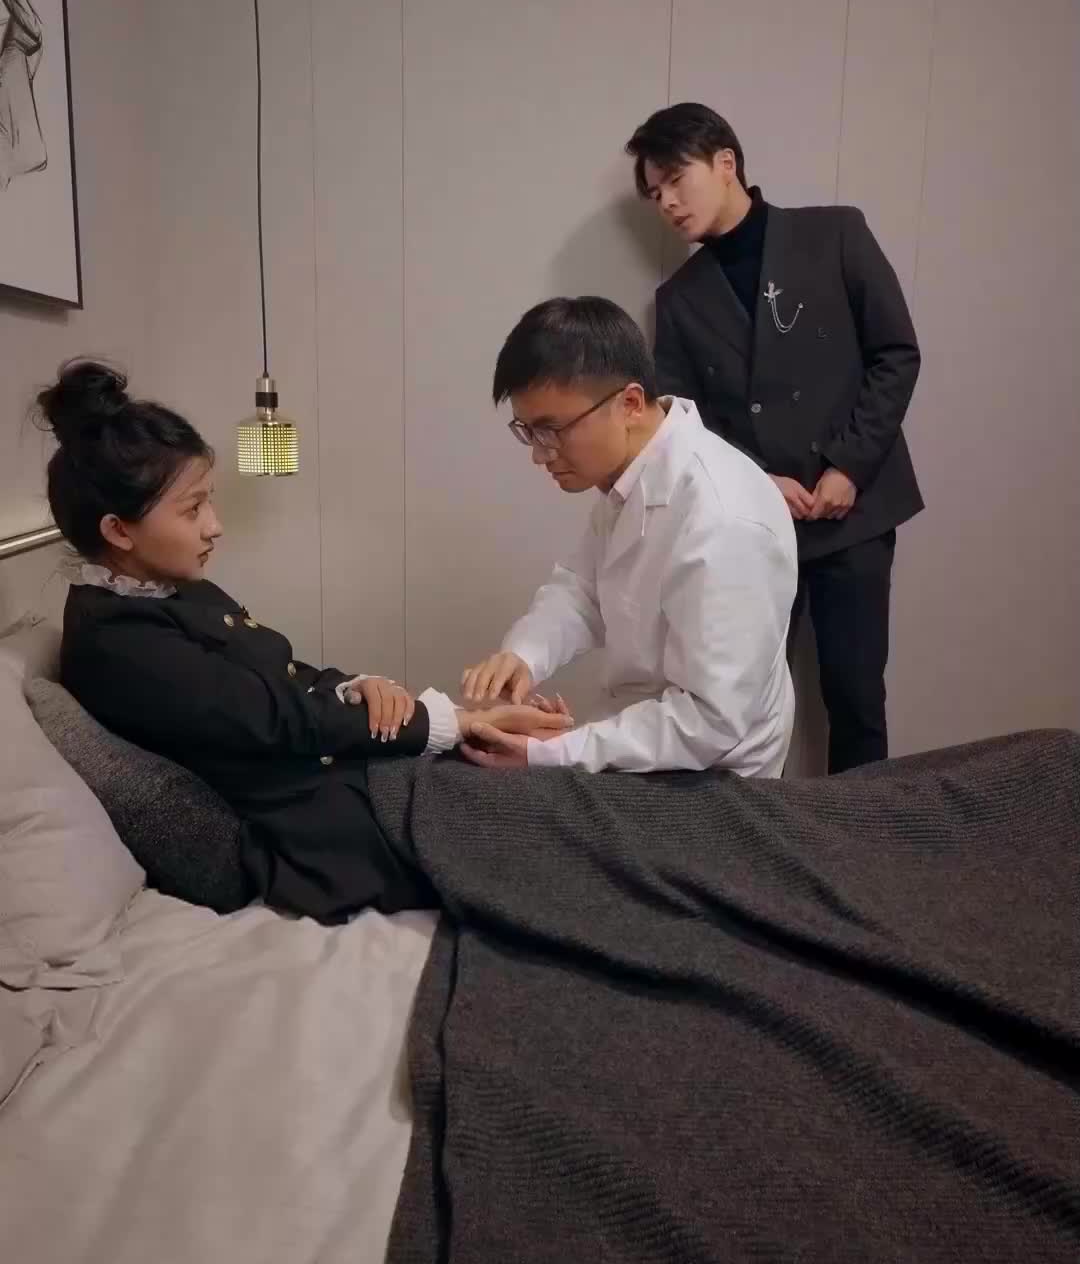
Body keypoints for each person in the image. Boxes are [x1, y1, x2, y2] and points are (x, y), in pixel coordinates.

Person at [37, 361, 571, 923]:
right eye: (193, 509)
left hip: (343, 780)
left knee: (555, 778)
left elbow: (283, 675)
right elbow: (275, 717)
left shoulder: (166, 590)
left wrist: (357, 687)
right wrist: (454, 722)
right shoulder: (117, 644)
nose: (214, 525)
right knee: (556, 824)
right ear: (118, 530)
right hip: (316, 835)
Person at [626, 103, 922, 774]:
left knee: (857, 698)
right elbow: (683, 424)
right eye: (654, 193)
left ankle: (866, 836)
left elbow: (896, 354)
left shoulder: (835, 235)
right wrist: (758, 480)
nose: (666, 202)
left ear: (725, 162)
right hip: (752, 525)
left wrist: (848, 465)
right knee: (741, 707)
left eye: (675, 179)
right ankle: (750, 837)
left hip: (854, 512)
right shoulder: (678, 299)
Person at [460, 296, 797, 777]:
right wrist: (524, 655)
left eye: (552, 430)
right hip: (648, 744)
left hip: (714, 780)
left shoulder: (723, 517)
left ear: (630, 404)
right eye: (528, 432)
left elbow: (709, 722)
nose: (539, 454)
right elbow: (582, 592)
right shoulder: (630, 477)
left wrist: (559, 752)